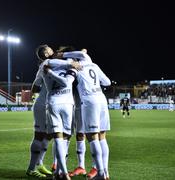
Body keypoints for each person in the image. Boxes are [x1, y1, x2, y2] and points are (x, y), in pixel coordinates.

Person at [26, 44, 81, 180]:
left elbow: (35, 85)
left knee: (50, 135)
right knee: (40, 135)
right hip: (44, 104)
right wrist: (72, 62)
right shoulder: (48, 63)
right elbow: (35, 87)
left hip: (49, 103)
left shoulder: (50, 65)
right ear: (45, 54)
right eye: (49, 49)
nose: (53, 50)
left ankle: (40, 163)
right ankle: (32, 168)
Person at [60, 50, 111, 179]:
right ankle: (105, 172)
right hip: (102, 98)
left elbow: (66, 80)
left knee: (92, 137)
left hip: (90, 101)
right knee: (102, 137)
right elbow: (107, 82)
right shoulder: (94, 65)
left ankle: (100, 173)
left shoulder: (76, 67)